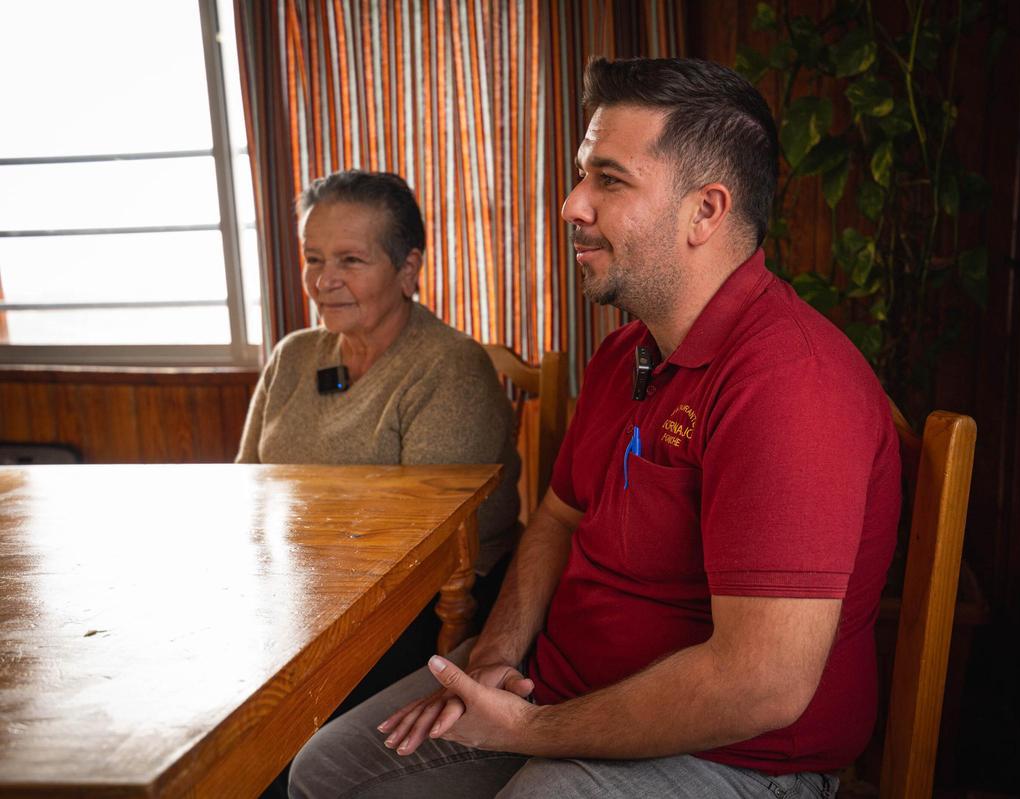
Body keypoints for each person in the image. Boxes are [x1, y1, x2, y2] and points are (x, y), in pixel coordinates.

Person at [289, 58, 900, 799]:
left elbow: (759, 686)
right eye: (583, 175)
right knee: (325, 771)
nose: (573, 204)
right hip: (555, 690)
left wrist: (528, 731)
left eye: (609, 181)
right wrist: (495, 654)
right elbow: (556, 515)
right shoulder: (626, 352)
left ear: (704, 211)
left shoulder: (791, 383)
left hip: (741, 753)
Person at [237, 170, 521, 701]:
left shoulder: (449, 367)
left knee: (267, 707)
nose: (324, 281)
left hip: (417, 606)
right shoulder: (294, 356)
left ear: (407, 267)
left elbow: (426, 551)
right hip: (301, 593)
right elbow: (245, 487)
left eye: (350, 259)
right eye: (314, 258)